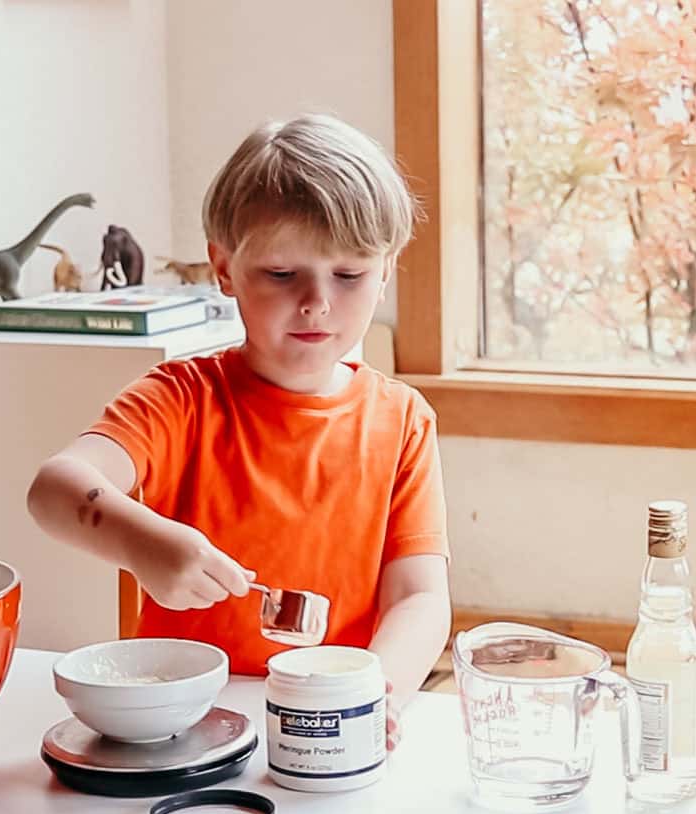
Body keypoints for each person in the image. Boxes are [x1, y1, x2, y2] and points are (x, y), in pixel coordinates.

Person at [27, 113, 451, 749]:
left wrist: (376, 691)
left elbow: (419, 598)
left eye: (349, 274)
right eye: (282, 275)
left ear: (386, 268)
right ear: (224, 268)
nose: (316, 302)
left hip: (325, 723)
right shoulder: (180, 398)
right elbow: (55, 488)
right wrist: (141, 543)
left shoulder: (403, 421)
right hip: (175, 723)